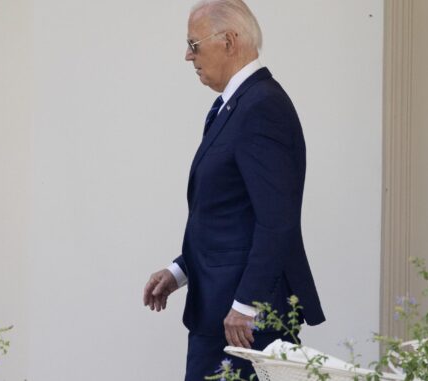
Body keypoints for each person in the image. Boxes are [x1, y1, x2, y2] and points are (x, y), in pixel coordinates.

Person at [142, 1, 325, 379]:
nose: (187, 55)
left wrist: (246, 304)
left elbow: (277, 220)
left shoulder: (261, 107)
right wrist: (179, 270)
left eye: (194, 44)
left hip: (242, 321)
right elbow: (229, 214)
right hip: (222, 308)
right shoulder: (233, 106)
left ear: (229, 41)